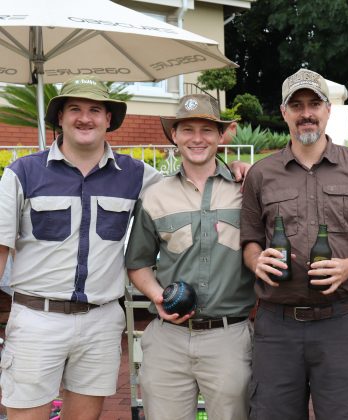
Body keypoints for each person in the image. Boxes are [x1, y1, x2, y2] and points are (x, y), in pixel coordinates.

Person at [0, 77, 248, 420]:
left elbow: (191, 186)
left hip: (100, 321)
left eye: (95, 110)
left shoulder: (136, 175)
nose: (85, 118)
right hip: (36, 319)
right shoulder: (22, 173)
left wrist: (237, 170)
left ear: (108, 119)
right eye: (75, 109)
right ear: (60, 117)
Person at [240, 69, 348, 420]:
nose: (305, 112)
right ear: (284, 113)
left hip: (339, 324)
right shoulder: (261, 174)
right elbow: (249, 241)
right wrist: (256, 261)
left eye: (314, 104)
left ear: (328, 110)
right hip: (275, 327)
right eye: (296, 105)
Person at [125, 93, 255, 420]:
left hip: (230, 338)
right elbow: (137, 263)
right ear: (174, 136)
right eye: (187, 130)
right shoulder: (154, 194)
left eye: (207, 130)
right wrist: (157, 297)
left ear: (222, 135)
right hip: (168, 339)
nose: (197, 139)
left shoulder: (250, 187)